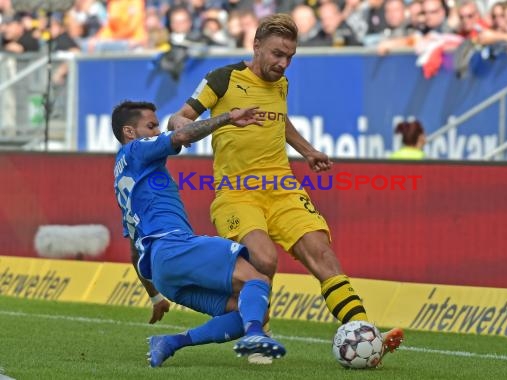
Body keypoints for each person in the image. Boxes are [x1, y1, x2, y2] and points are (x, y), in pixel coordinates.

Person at [167, 13, 403, 364]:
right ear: (257, 45)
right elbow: (179, 119)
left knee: (323, 254)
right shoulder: (223, 79)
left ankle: (365, 334)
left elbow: (281, 120)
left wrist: (308, 151)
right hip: (237, 192)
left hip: (283, 187)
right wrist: (222, 120)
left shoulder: (281, 84)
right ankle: (257, 334)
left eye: (290, 56)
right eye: (278, 54)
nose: (283, 63)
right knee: (264, 258)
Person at [112, 100, 286, 367]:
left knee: (252, 310)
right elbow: (181, 135)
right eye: (151, 126)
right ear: (130, 132)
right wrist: (229, 117)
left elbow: (136, 250)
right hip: (174, 245)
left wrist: (156, 295)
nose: (158, 131)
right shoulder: (135, 150)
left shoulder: (125, 177)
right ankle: (254, 338)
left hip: (163, 273)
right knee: (258, 280)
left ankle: (170, 342)